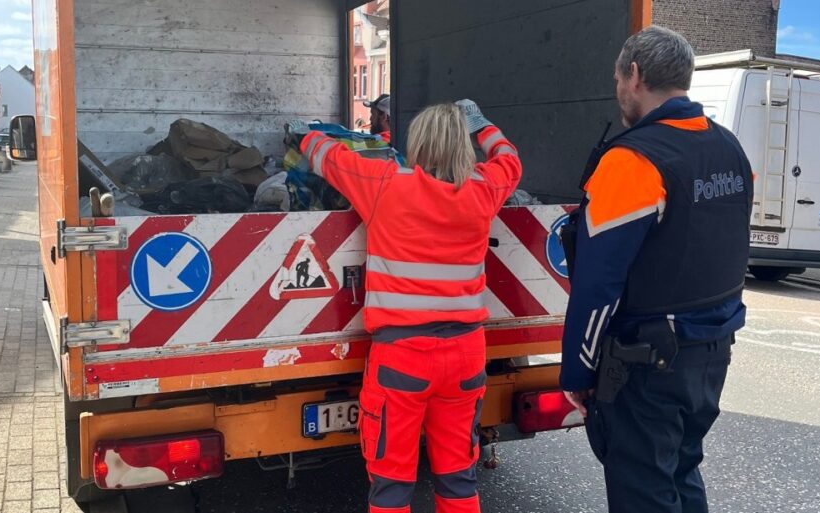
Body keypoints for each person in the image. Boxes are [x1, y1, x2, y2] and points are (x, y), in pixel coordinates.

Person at [291, 100, 521, 513]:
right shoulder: (483, 190)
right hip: (466, 357)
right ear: (461, 147)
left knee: (392, 483)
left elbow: (325, 155)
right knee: (458, 477)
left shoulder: (384, 183)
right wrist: (483, 125)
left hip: (402, 359)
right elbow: (509, 159)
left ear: (418, 144)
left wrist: (305, 134)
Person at [559, 26, 753, 513]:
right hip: (711, 354)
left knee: (643, 490)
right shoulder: (731, 148)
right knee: (682, 473)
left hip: (648, 367)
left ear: (635, 75)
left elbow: (597, 287)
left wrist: (578, 372)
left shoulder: (632, 160)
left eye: (618, 79)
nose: (618, 90)